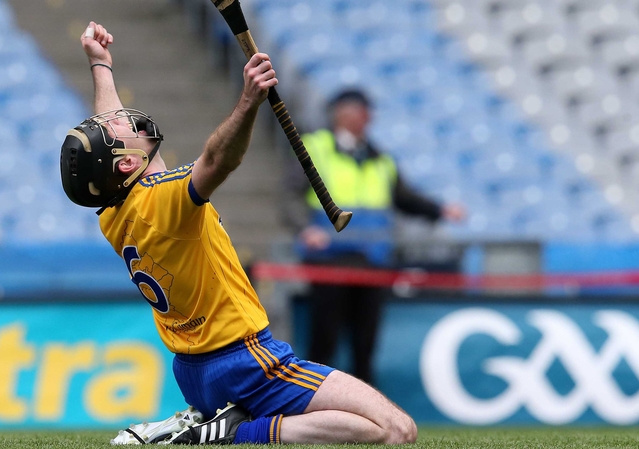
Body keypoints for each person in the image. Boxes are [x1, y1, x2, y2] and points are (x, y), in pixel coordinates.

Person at [61, 22, 417, 445]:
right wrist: (249, 101)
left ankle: (210, 425)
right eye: (114, 130)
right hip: (247, 361)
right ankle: (232, 434)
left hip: (196, 373)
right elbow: (217, 159)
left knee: (373, 426)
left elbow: (115, 137)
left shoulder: (115, 214)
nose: (119, 119)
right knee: (397, 430)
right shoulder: (164, 200)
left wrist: (101, 66)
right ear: (125, 164)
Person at [282, 89, 465, 385]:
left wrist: (440, 210)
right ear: (344, 114)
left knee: (365, 341)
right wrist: (305, 228)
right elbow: (290, 195)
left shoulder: (381, 158)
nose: (369, 119)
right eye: (363, 112)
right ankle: (313, 403)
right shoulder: (315, 148)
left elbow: (404, 197)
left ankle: (367, 411)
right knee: (325, 337)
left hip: (372, 259)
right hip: (330, 259)